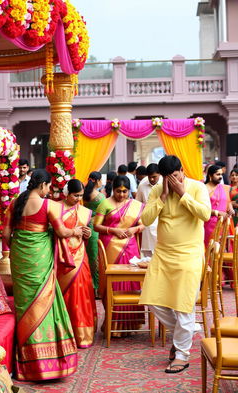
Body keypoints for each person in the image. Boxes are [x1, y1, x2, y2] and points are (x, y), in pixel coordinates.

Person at [2, 169, 78, 381]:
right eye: (48, 187)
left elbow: (6, 234)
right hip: (40, 258)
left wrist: (19, 249)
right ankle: (47, 362)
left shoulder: (15, 203)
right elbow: (62, 232)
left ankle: (27, 362)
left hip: (19, 258)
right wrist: (76, 232)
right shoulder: (49, 205)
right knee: (44, 302)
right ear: (43, 185)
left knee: (25, 304)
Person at [139, 155, 211, 373]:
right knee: (152, 300)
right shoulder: (157, 190)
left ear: (182, 170)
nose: (171, 180)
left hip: (189, 255)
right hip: (162, 254)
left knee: (183, 305)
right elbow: (146, 220)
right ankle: (185, 332)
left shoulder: (197, 187)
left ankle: (181, 354)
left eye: (175, 176)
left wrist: (182, 194)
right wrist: (162, 197)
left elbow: (205, 214)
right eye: (166, 178)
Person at [94, 175, 145, 335]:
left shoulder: (135, 205)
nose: (121, 195)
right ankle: (113, 325)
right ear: (112, 190)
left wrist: (134, 229)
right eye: (118, 191)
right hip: (109, 247)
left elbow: (143, 224)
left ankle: (131, 324)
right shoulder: (105, 204)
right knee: (112, 283)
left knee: (131, 283)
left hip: (130, 247)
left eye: (124, 191)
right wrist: (113, 230)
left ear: (129, 190)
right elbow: (96, 226)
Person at [56, 179, 97, 348]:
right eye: (75, 195)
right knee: (65, 293)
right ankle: (65, 332)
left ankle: (82, 333)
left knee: (82, 292)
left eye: (81, 196)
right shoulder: (56, 208)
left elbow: (86, 234)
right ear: (67, 193)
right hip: (62, 255)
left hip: (80, 255)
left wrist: (87, 234)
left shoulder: (84, 211)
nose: (78, 199)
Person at [83, 171, 106, 292]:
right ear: (98, 181)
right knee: (96, 258)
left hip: (86, 226)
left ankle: (91, 286)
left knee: (89, 257)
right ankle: (97, 287)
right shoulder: (99, 196)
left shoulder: (85, 193)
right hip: (96, 228)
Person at [204, 165, 234, 247]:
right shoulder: (203, 189)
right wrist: (218, 213)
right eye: (217, 174)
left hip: (223, 223)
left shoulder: (224, 188)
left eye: (221, 174)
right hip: (208, 224)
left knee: (220, 249)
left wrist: (230, 208)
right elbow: (202, 208)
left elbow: (228, 202)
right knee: (209, 248)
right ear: (210, 175)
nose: (220, 177)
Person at [136, 163, 161, 257]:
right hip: (147, 225)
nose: (151, 179)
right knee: (148, 254)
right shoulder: (142, 186)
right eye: (150, 177)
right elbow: (138, 204)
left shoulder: (164, 184)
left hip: (161, 222)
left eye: (154, 177)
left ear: (160, 174)